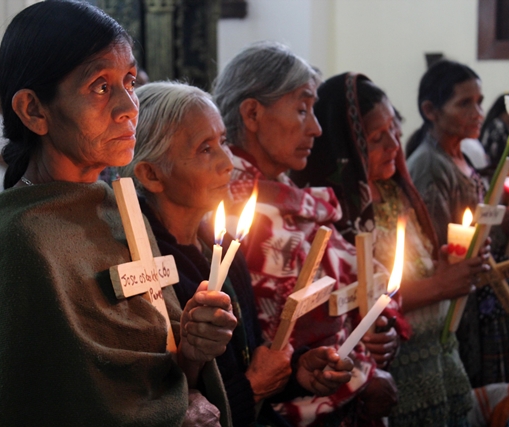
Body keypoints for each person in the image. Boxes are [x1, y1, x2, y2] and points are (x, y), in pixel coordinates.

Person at [0, 2, 236, 426]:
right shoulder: (16, 239)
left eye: (129, 80)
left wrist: (191, 349)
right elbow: (42, 406)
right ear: (34, 110)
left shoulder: (121, 207)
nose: (130, 106)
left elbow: (163, 372)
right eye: (100, 86)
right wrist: (173, 415)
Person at [123, 81, 355, 427]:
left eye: (223, 142)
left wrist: (295, 372)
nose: (228, 163)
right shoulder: (142, 266)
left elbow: (247, 357)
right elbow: (168, 410)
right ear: (151, 174)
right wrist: (255, 388)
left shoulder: (221, 247)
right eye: (205, 149)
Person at [213, 41, 401, 427]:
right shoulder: (240, 210)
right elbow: (276, 335)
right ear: (251, 113)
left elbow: (347, 288)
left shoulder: (288, 195)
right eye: (301, 109)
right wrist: (359, 369)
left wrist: (372, 328)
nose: (315, 128)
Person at [292, 72, 492, 426]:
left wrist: (446, 265)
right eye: (376, 137)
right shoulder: (334, 215)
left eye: (395, 132)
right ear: (346, 145)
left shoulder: (396, 192)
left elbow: (411, 268)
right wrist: (440, 286)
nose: (394, 146)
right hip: (393, 368)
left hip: (440, 359)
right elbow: (356, 303)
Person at [406, 60, 509, 388]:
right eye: (465, 103)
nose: (478, 112)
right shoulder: (430, 167)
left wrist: (504, 221)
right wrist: (500, 227)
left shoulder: (460, 157)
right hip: (453, 303)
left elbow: (473, 225)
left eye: (479, 102)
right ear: (431, 110)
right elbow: (436, 245)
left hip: (475, 293)